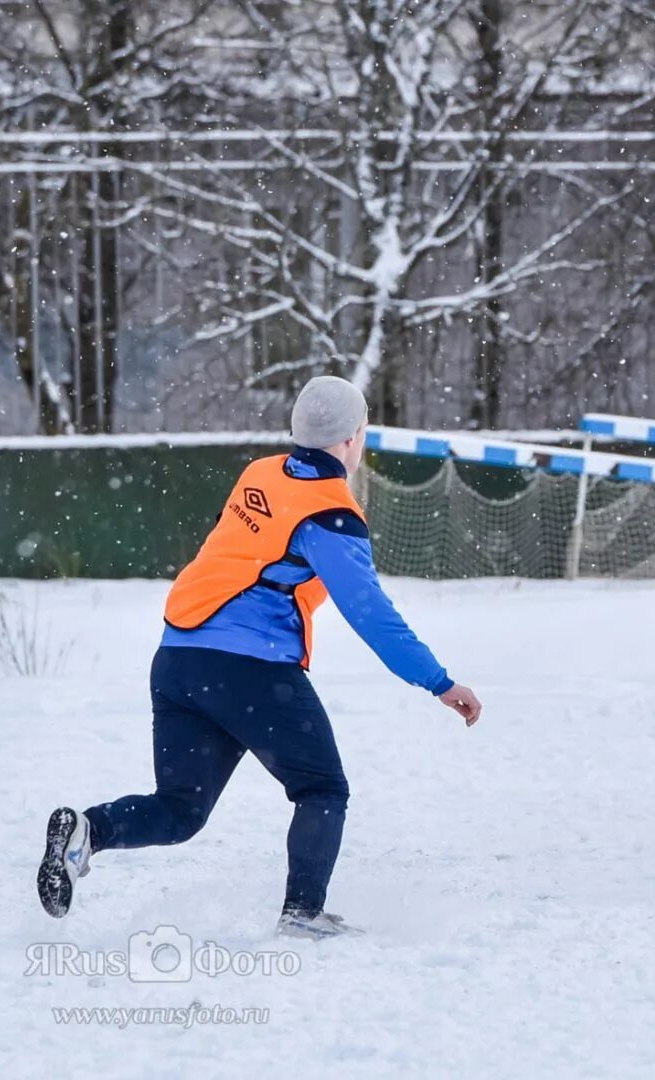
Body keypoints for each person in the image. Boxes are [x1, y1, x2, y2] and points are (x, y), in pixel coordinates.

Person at [36, 376, 483, 939]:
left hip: (178, 660)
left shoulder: (261, 473)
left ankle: (87, 832)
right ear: (354, 438)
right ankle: (303, 913)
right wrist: (437, 681)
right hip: (251, 670)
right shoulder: (331, 515)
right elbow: (372, 615)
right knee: (322, 789)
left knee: (179, 811)